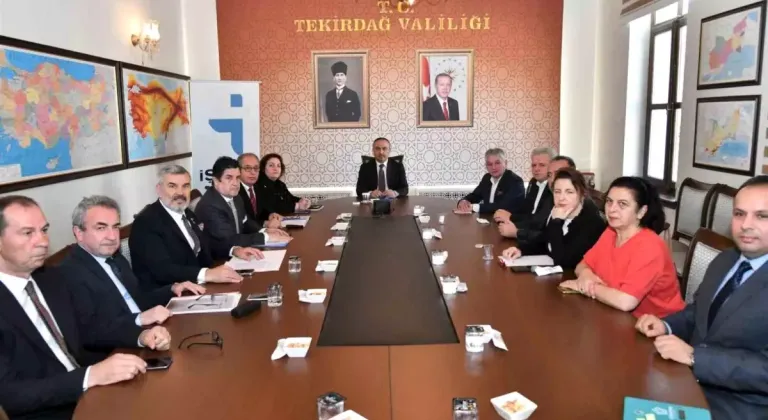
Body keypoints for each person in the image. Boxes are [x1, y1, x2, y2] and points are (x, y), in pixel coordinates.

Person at [0, 195, 171, 420]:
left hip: (93, 389)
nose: (42, 241)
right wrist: (88, 376)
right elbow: (10, 395)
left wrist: (141, 335)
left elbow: (89, 330)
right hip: (49, 410)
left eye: (44, 230)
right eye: (28, 232)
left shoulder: (49, 278)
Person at [636, 175, 768, 419]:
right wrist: (666, 325)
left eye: (762, 216)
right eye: (739, 214)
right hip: (687, 382)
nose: (746, 224)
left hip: (740, 406)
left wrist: (695, 357)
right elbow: (699, 312)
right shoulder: (724, 259)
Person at [58, 196, 205, 330]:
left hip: (151, 330)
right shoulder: (70, 273)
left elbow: (138, 298)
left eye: (115, 227)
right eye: (101, 228)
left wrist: (172, 289)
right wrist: (139, 320)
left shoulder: (116, 259)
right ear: (79, 233)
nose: (112, 236)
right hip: (122, 345)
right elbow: (92, 330)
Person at [559, 176, 685, 318]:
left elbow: (626, 302)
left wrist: (586, 287)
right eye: (609, 201)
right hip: (615, 314)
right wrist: (586, 276)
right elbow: (582, 265)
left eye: (622, 204)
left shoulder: (650, 246)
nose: (612, 209)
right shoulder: (611, 232)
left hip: (658, 324)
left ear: (641, 212)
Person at [130, 164, 261, 290]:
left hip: (200, 283)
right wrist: (206, 274)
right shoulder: (146, 223)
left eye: (185, 186)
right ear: (159, 189)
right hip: (170, 293)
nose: (180, 192)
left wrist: (233, 250)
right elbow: (162, 270)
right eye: (172, 186)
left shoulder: (186, 213)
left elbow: (206, 245)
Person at [501, 168, 605, 270]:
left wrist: (556, 222)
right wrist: (521, 250)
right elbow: (545, 241)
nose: (561, 198)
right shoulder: (560, 211)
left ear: (582, 194)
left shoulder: (591, 222)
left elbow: (564, 261)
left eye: (569, 192)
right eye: (557, 192)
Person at [196, 156, 291, 259]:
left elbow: (245, 221)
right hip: (218, 260)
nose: (235, 183)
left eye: (237, 177)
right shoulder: (210, 206)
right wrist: (266, 237)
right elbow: (230, 239)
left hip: (238, 252)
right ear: (215, 181)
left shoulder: (235, 197)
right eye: (229, 178)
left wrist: (264, 230)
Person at [496, 153, 572, 241]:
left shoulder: (573, 202)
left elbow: (543, 231)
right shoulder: (534, 183)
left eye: (542, 165)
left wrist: (516, 230)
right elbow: (536, 221)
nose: (552, 179)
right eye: (550, 175)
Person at [494, 148, 559, 224]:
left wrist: (511, 217)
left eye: (542, 165)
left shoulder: (555, 187)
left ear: (552, 166)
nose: (536, 169)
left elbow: (540, 220)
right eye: (533, 165)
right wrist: (505, 214)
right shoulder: (533, 182)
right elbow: (526, 210)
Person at [456, 148, 524, 214]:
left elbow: (503, 206)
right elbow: (475, 195)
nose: (493, 167)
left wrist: (474, 207)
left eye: (497, 163)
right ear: (486, 166)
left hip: (508, 221)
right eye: (489, 164)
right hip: (487, 219)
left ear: (505, 163)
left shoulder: (515, 181)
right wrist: (464, 201)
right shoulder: (487, 178)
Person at [237, 153, 281, 229]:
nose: (253, 172)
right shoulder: (235, 191)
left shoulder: (259, 187)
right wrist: (264, 223)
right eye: (248, 168)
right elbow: (241, 220)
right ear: (238, 170)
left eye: (256, 168)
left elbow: (261, 211)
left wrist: (270, 215)